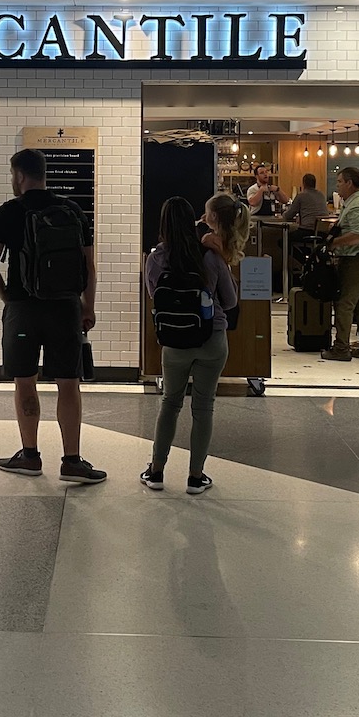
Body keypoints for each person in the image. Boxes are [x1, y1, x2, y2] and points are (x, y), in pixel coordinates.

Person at [0, 149, 104, 485]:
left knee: (25, 380)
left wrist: (11, 299)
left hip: (23, 309)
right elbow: (89, 268)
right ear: (44, 173)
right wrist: (87, 307)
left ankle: (30, 455)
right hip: (65, 308)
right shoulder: (73, 210)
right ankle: (72, 460)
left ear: (19, 175)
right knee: (69, 383)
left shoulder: (8, 212)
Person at [141, 196, 238, 495]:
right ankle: (196, 477)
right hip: (212, 338)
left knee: (170, 403)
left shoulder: (155, 258)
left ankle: (156, 472)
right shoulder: (209, 256)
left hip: (174, 342)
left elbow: (154, 296)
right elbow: (231, 301)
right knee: (203, 407)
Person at [323, 166, 359, 363]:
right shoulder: (352, 203)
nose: (337, 186)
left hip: (357, 260)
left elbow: (358, 235)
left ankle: (341, 348)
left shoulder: (356, 206)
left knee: (344, 303)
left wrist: (334, 242)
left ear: (349, 183)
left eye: (339, 182)